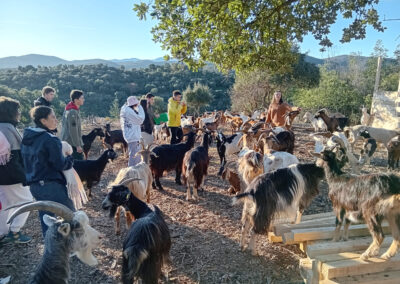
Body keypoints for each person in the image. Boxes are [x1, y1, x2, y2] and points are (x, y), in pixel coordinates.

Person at [21, 106, 75, 237]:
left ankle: (51, 248)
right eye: (53, 117)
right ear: (43, 121)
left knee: (47, 219)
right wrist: (69, 158)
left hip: (34, 186)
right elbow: (60, 164)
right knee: (72, 216)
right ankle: (75, 248)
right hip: (51, 185)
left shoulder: (27, 137)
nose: (56, 120)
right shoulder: (49, 139)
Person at [0, 96, 33, 244]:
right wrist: (24, 177)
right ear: (9, 112)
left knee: (5, 204)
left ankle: (2, 232)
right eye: (17, 110)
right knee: (26, 200)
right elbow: (12, 159)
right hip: (9, 176)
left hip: (3, 176)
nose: (19, 112)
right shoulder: (7, 129)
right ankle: (14, 232)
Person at [120, 96, 145, 166]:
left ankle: (135, 170)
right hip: (133, 136)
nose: (137, 106)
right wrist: (140, 107)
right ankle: (132, 171)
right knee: (134, 155)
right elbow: (140, 119)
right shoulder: (129, 112)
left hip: (131, 135)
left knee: (135, 155)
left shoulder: (126, 110)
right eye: (136, 105)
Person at [61, 89, 85, 160]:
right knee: (78, 165)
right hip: (72, 144)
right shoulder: (72, 112)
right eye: (82, 98)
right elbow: (73, 130)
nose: (83, 100)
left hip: (68, 142)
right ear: (76, 100)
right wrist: (77, 145)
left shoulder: (68, 109)